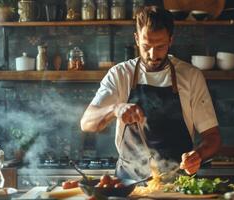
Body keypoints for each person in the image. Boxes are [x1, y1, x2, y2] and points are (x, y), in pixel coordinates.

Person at [80, 6, 221, 181]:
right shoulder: (120, 75)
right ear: (137, 39)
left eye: (160, 46)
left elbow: (212, 137)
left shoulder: (191, 77)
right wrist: (115, 109)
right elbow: (86, 123)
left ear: (171, 40)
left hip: (177, 183)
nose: (153, 54)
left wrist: (198, 155)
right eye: (147, 46)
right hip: (129, 183)